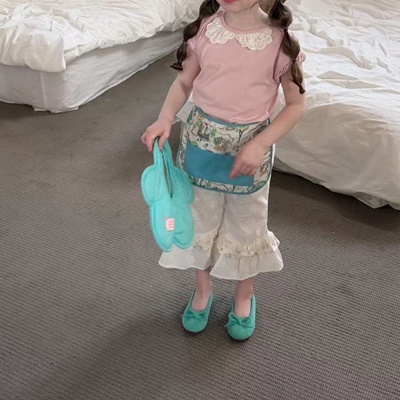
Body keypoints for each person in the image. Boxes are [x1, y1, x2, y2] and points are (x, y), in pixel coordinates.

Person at [141, 0, 306, 341]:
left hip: (249, 155)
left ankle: (244, 295)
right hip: (199, 147)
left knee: (246, 226)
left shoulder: (281, 43)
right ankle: (203, 290)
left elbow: (295, 104)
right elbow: (183, 82)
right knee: (198, 221)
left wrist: (260, 144)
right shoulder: (206, 29)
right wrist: (165, 117)